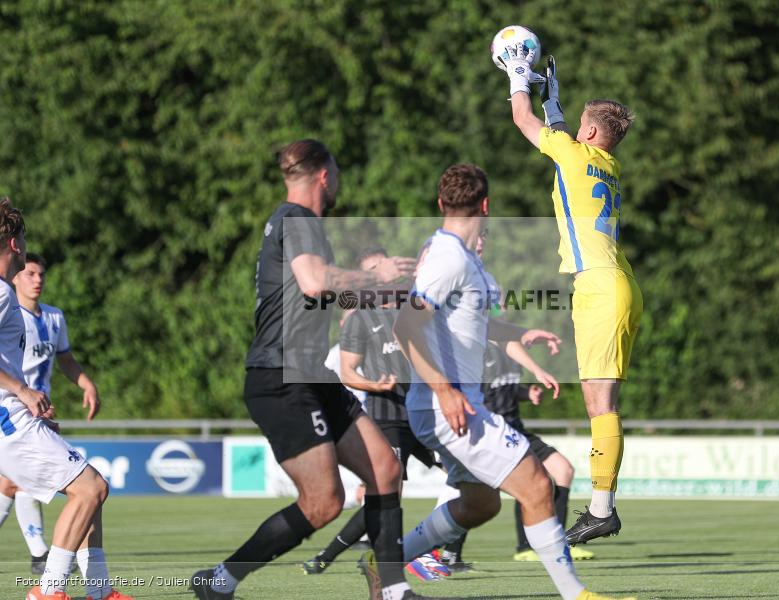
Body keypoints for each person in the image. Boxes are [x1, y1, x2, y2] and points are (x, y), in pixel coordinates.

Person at [191, 140, 455, 600]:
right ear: (324, 176)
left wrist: (398, 290)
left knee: (385, 471)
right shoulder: (298, 220)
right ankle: (221, 579)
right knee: (323, 504)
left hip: (311, 373)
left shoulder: (297, 224)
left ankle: (391, 589)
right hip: (282, 377)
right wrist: (376, 276)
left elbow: (320, 293)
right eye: (337, 171)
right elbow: (315, 282)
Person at [391, 164, 633, 600]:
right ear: (486, 206)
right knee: (538, 483)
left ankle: (386, 565)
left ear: (441, 203)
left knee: (479, 505)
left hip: (450, 402)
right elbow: (406, 326)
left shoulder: (457, 256)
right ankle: (576, 595)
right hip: (448, 404)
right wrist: (444, 391)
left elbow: (465, 321)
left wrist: (518, 334)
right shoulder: (448, 257)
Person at [502, 43, 643, 546]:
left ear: (586, 133)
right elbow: (566, 139)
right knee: (602, 404)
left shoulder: (572, 150)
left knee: (600, 406)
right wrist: (557, 107)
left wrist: (520, 74)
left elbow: (522, 118)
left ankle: (603, 510)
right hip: (620, 282)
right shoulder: (607, 164)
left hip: (600, 286)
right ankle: (602, 507)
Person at [0, 198, 130, 600]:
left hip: (17, 415)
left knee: (93, 487)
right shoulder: (3, 293)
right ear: (17, 245)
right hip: (9, 418)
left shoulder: (28, 305)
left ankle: (99, 589)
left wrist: (30, 403)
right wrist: (22, 392)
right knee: (89, 489)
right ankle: (48, 590)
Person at [302, 246, 453, 581]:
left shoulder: (412, 310)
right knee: (385, 493)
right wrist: (375, 384)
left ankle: (435, 553)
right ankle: (330, 557)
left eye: (382, 268)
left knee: (467, 477)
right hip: (387, 417)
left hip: (424, 415)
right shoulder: (358, 319)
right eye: (372, 270)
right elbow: (348, 372)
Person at [0, 253, 102, 576]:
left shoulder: (54, 318)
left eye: (41, 274)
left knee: (16, 485)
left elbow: (66, 359)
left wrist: (86, 383)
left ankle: (91, 584)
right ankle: (44, 562)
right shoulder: (7, 304)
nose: (37, 279)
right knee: (81, 488)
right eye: (30, 273)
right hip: (16, 412)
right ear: (16, 276)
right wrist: (24, 395)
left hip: (33, 410)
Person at [479, 339, 593, 563]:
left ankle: (558, 542)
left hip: (517, 431)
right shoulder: (477, 347)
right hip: (493, 433)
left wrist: (526, 393)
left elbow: (505, 389)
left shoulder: (513, 349)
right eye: (497, 303)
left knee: (563, 470)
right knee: (510, 488)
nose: (501, 306)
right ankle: (525, 547)